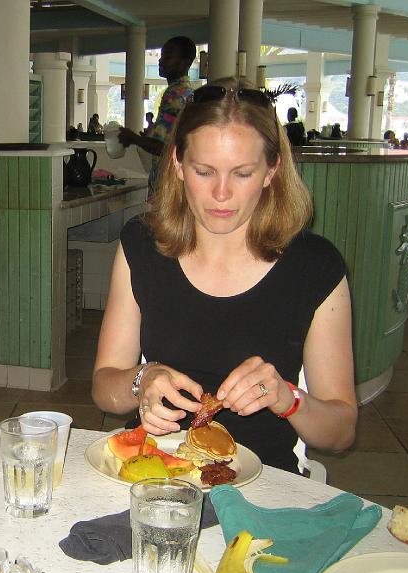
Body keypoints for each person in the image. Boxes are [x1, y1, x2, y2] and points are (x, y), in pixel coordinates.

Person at [91, 78, 357, 473]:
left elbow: (340, 432)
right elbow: (103, 389)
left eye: (243, 173)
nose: (221, 193)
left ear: (272, 170)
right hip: (157, 474)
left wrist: (287, 397)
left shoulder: (316, 268)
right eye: (204, 171)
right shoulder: (142, 246)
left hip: (267, 487)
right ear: (178, 165)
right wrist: (141, 379)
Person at [117, 36, 197, 197]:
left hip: (168, 188)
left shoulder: (175, 94)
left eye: (168, 57)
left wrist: (132, 138)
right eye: (161, 57)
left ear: (185, 63)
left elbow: (162, 147)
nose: (161, 62)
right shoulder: (188, 92)